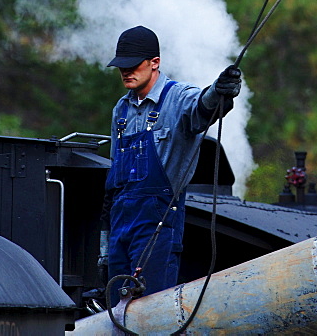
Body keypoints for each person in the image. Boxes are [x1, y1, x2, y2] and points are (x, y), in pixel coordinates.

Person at [101, 25, 242, 303]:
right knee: (116, 312)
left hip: (157, 226)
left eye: (133, 65)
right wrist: (105, 245)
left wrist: (220, 90)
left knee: (152, 312)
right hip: (120, 225)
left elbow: (204, 105)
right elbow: (113, 177)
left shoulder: (177, 98)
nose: (126, 72)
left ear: (155, 63)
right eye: (121, 66)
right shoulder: (121, 109)